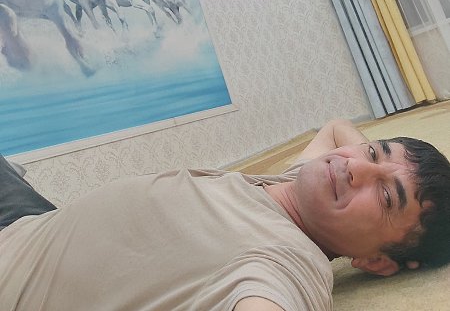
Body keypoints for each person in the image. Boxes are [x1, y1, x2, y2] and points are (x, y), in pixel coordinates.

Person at [0, 119, 449, 311]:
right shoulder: (295, 185)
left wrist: (377, 162)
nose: (354, 167)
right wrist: (379, 166)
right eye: (371, 152)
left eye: (386, 197)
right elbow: (335, 128)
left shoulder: (285, 264)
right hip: (33, 225)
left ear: (376, 261)